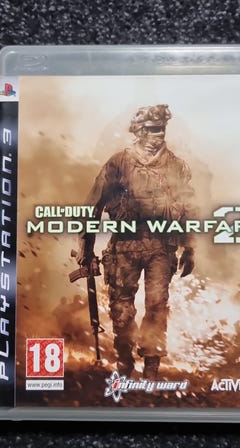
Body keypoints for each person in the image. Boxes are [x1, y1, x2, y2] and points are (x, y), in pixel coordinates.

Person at [77, 104, 197, 379]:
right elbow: (93, 206)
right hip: (124, 246)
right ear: (139, 131)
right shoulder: (119, 163)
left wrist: (190, 247)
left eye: (162, 129)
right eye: (153, 129)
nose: (159, 134)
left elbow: (189, 209)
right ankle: (124, 359)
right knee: (121, 308)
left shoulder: (177, 166)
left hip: (161, 246)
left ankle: (152, 365)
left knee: (157, 305)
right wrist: (86, 247)